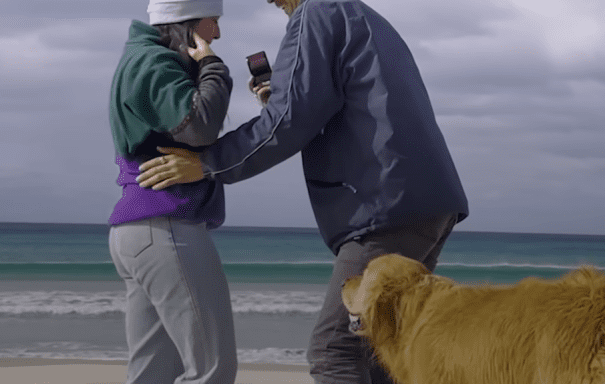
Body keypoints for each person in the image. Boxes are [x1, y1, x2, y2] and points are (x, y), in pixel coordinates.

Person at [135, 0, 469, 382]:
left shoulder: (316, 14)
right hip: (425, 201)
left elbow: (288, 121)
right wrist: (279, 96)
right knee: (380, 352)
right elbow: (329, 107)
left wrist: (208, 163)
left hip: (384, 208)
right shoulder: (356, 14)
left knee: (333, 352)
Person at [107, 0, 237, 382]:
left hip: (143, 229)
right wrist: (214, 68)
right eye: (213, 21)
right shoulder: (153, 63)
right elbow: (200, 125)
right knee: (212, 371)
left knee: (152, 374)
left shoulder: (145, 59)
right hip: (166, 226)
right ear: (188, 24)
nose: (217, 34)